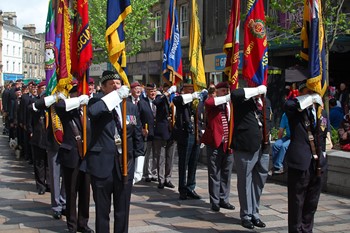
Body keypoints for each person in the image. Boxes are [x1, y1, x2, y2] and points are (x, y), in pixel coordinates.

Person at [86, 71, 144, 233]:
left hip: (125, 165)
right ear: (103, 88)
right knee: (102, 212)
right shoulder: (96, 103)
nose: (116, 86)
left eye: (118, 84)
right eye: (111, 84)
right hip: (102, 166)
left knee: (122, 210)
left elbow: (137, 136)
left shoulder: (130, 107)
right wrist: (115, 96)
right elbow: (93, 112)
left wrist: (139, 164)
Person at [284, 81, 328, 233]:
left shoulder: (321, 112)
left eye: (314, 92)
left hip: (317, 165)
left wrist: (322, 156)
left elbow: (322, 135)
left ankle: (307, 230)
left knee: (312, 202)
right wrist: (308, 100)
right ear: (301, 93)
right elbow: (288, 105)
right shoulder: (296, 111)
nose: (312, 95)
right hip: (300, 162)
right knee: (297, 202)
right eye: (307, 92)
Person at [230, 85, 271, 229]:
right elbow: (234, 94)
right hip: (245, 146)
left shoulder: (266, 102)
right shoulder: (243, 101)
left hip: (264, 146)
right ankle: (246, 215)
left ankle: (255, 213)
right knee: (245, 182)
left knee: (259, 181)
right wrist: (256, 90)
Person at [31, 84, 66, 220]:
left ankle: (64, 201)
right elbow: (34, 107)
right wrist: (53, 98)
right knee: (55, 175)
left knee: (67, 177)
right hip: (53, 143)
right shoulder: (50, 96)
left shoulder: (70, 96)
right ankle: (56, 205)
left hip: (69, 144)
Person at [201, 82, 235, 212]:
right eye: (223, 90)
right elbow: (208, 103)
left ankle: (224, 199)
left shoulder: (230, 105)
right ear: (217, 92)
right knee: (214, 173)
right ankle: (214, 201)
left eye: (227, 90)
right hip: (215, 143)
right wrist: (224, 98)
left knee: (226, 173)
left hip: (228, 143)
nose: (226, 92)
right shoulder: (213, 102)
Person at [172, 79, 203, 200]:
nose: (191, 91)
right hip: (185, 135)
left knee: (193, 162)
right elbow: (177, 101)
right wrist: (191, 96)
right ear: (183, 89)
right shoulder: (180, 100)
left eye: (193, 89)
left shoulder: (197, 102)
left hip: (196, 134)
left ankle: (191, 187)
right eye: (189, 89)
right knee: (183, 163)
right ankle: (182, 188)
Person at [152, 83, 177, 189]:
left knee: (170, 157)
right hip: (162, 131)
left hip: (173, 130)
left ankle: (168, 178)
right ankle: (161, 179)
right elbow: (156, 102)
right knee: (161, 157)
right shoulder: (160, 97)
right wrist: (167, 93)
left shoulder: (176, 97)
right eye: (167, 87)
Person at [28, 81, 50, 195]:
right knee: (39, 162)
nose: (44, 90)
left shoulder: (52, 106)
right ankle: (40, 185)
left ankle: (49, 184)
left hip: (49, 138)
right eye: (42, 88)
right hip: (38, 137)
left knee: (48, 163)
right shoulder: (35, 102)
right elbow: (30, 114)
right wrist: (30, 131)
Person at [139, 83, 158, 182]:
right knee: (148, 154)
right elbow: (139, 117)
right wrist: (142, 129)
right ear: (146, 92)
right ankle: (147, 173)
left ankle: (154, 173)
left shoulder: (159, 101)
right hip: (147, 132)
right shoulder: (142, 102)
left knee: (156, 154)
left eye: (154, 91)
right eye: (151, 91)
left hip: (158, 133)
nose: (153, 93)